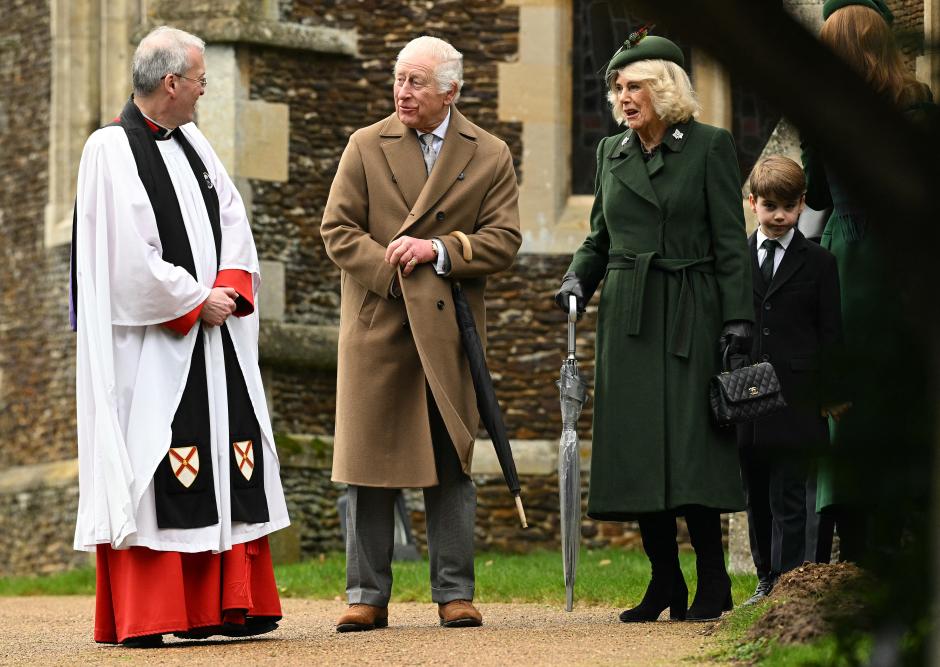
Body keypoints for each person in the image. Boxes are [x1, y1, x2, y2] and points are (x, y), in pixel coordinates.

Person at [71, 26, 289, 646]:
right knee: (157, 465)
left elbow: (232, 219)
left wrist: (226, 288)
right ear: (171, 83)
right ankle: (156, 613)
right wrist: (197, 300)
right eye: (198, 80)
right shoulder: (110, 151)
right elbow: (124, 263)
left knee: (227, 458)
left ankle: (224, 606)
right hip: (153, 349)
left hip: (213, 344)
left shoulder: (195, 142)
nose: (203, 90)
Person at [320, 35, 521, 632]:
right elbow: (337, 229)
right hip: (378, 322)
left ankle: (455, 592)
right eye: (399, 80)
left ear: (449, 92)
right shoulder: (365, 145)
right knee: (368, 464)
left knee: (452, 460)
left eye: (415, 83)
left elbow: (503, 240)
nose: (402, 93)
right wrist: (391, 266)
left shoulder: (488, 153)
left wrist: (438, 249)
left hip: (447, 330)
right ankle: (366, 593)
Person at [554, 32, 752, 622]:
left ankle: (714, 582)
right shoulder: (611, 153)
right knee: (640, 449)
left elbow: (730, 244)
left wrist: (739, 318)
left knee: (693, 450)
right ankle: (664, 579)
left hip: (692, 310)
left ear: (664, 88)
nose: (622, 97)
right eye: (617, 88)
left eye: (634, 85)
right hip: (629, 317)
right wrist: (575, 281)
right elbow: (599, 236)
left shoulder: (710, 148)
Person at [802, 0, 936, 564]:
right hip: (908, 264)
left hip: (849, 264)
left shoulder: (825, 116)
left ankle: (853, 549)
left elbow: (820, 199)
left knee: (846, 400)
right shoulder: (922, 109)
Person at [736, 156, 842, 606]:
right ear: (752, 202)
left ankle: (791, 581)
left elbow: (831, 331)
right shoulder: (736, 259)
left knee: (791, 494)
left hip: (799, 397)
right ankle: (765, 579)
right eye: (769, 206)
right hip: (747, 398)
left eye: (788, 207)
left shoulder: (819, 262)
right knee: (756, 495)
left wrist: (834, 392)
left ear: (802, 205)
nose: (778, 216)